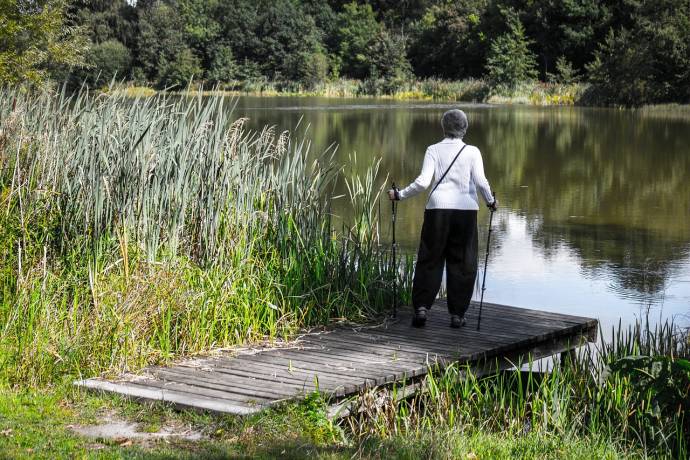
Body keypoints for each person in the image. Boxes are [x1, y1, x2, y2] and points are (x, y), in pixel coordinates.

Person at [388, 109, 497, 328]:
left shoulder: (433, 150)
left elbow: (422, 182)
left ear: (443, 127)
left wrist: (400, 195)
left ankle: (421, 308)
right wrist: (491, 202)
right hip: (466, 211)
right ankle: (457, 315)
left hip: (436, 209)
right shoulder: (472, 151)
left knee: (430, 258)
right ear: (464, 128)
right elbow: (482, 182)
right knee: (463, 262)